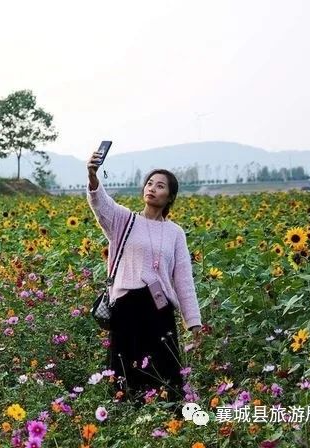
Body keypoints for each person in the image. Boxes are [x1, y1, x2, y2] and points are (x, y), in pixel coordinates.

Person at [86, 147, 202, 408]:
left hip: (159, 311)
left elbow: (183, 280)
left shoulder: (175, 233)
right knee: (124, 369)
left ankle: (171, 421)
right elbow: (100, 203)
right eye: (149, 183)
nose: (152, 188)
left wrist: (193, 321)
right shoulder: (124, 221)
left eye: (160, 186)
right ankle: (127, 418)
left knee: (166, 369)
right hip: (127, 307)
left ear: (170, 196)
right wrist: (92, 175)